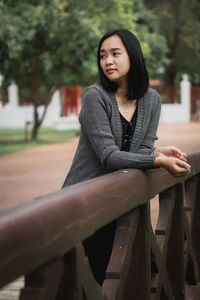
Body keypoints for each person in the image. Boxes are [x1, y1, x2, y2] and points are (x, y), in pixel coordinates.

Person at [62, 29, 191, 285]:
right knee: (88, 283)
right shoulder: (95, 97)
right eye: (102, 56)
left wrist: (155, 152)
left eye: (115, 54)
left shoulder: (152, 100)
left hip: (120, 202)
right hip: (84, 203)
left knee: (141, 276)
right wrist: (156, 161)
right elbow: (109, 157)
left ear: (132, 55)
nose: (107, 61)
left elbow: (139, 151)